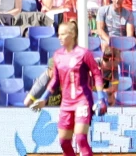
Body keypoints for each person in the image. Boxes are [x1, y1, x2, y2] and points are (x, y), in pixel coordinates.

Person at [26, 20, 105, 156]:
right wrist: (44, 99)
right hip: (66, 103)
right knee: (64, 142)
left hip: (82, 101)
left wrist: (101, 98)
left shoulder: (84, 54)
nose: (59, 37)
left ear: (72, 34)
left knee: (80, 139)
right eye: (59, 34)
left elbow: (96, 73)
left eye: (62, 34)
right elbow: (55, 80)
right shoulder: (58, 56)